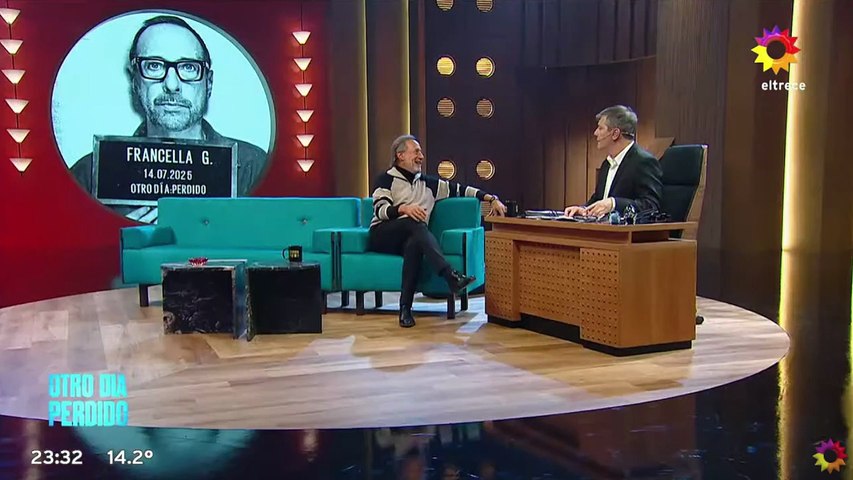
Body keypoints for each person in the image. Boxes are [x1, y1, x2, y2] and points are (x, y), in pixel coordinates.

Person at [69, 15, 268, 223]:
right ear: (135, 80)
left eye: (189, 67)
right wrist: (113, 232)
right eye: (154, 66)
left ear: (208, 83)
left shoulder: (252, 167)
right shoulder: (89, 174)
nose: (172, 85)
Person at [369, 135, 507, 328]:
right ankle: (450, 275)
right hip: (383, 234)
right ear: (400, 155)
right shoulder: (385, 179)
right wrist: (403, 209)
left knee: (414, 244)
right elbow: (380, 210)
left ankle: (405, 309)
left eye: (421, 152)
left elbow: (462, 189)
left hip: (411, 236)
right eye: (416, 152)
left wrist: (491, 199)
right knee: (414, 223)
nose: (421, 156)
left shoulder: (429, 184)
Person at [564, 105, 662, 219]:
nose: (595, 133)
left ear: (615, 133)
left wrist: (614, 204)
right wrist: (584, 209)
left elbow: (651, 205)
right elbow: (599, 199)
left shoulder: (644, 162)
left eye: (600, 128)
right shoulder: (607, 164)